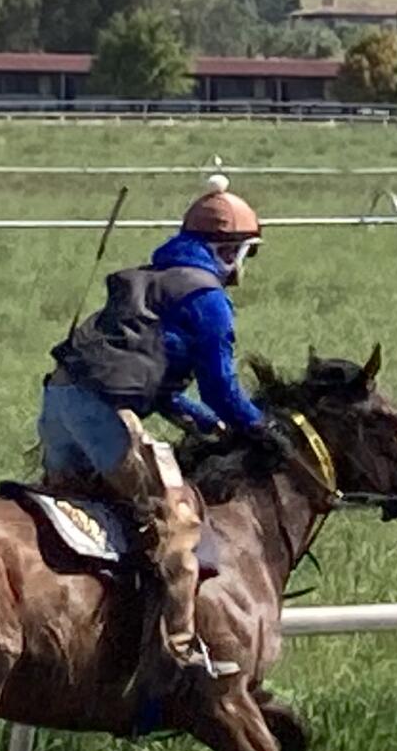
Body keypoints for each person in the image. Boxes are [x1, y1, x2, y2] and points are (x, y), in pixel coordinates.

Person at [38, 180, 268, 705]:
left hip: (58, 402)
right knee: (177, 521)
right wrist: (260, 429)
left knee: (82, 512)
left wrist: (198, 419)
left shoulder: (152, 278)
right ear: (231, 252)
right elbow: (222, 387)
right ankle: (181, 654)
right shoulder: (208, 300)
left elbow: (156, 384)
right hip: (100, 414)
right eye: (245, 254)